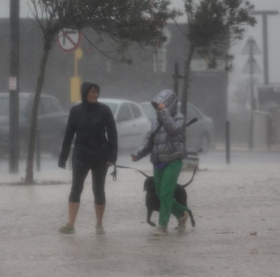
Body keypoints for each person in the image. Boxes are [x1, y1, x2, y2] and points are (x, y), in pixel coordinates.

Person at [58, 81, 118, 235]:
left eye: (96, 92)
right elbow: (69, 134)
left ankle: (99, 224)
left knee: (98, 190)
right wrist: (63, 157)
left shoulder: (104, 110)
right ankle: (70, 224)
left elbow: (112, 134)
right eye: (91, 92)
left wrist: (112, 156)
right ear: (85, 93)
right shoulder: (75, 111)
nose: (95, 95)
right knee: (76, 188)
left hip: (100, 157)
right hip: (81, 156)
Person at [131, 89, 189, 236]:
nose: (158, 108)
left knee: (166, 193)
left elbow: (173, 130)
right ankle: (182, 214)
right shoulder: (155, 120)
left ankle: (162, 226)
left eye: (161, 105)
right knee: (160, 193)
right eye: (156, 105)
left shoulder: (179, 118)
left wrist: (164, 113)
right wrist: (138, 153)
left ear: (169, 105)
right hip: (158, 162)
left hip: (173, 160)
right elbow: (151, 141)